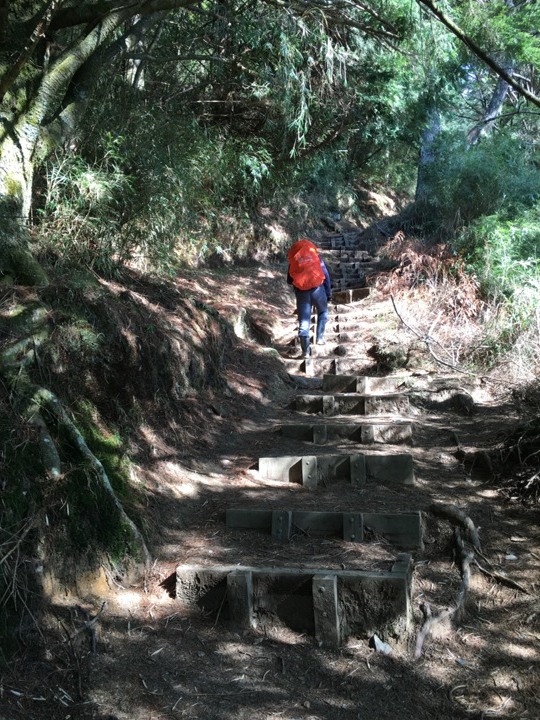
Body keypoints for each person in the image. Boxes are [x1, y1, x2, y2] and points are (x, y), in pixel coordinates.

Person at [287, 238, 332, 358]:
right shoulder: (316, 258)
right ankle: (320, 338)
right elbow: (326, 276)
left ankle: (305, 352)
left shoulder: (294, 261)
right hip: (318, 290)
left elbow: (289, 280)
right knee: (323, 311)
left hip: (302, 293)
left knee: (303, 322)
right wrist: (328, 293)